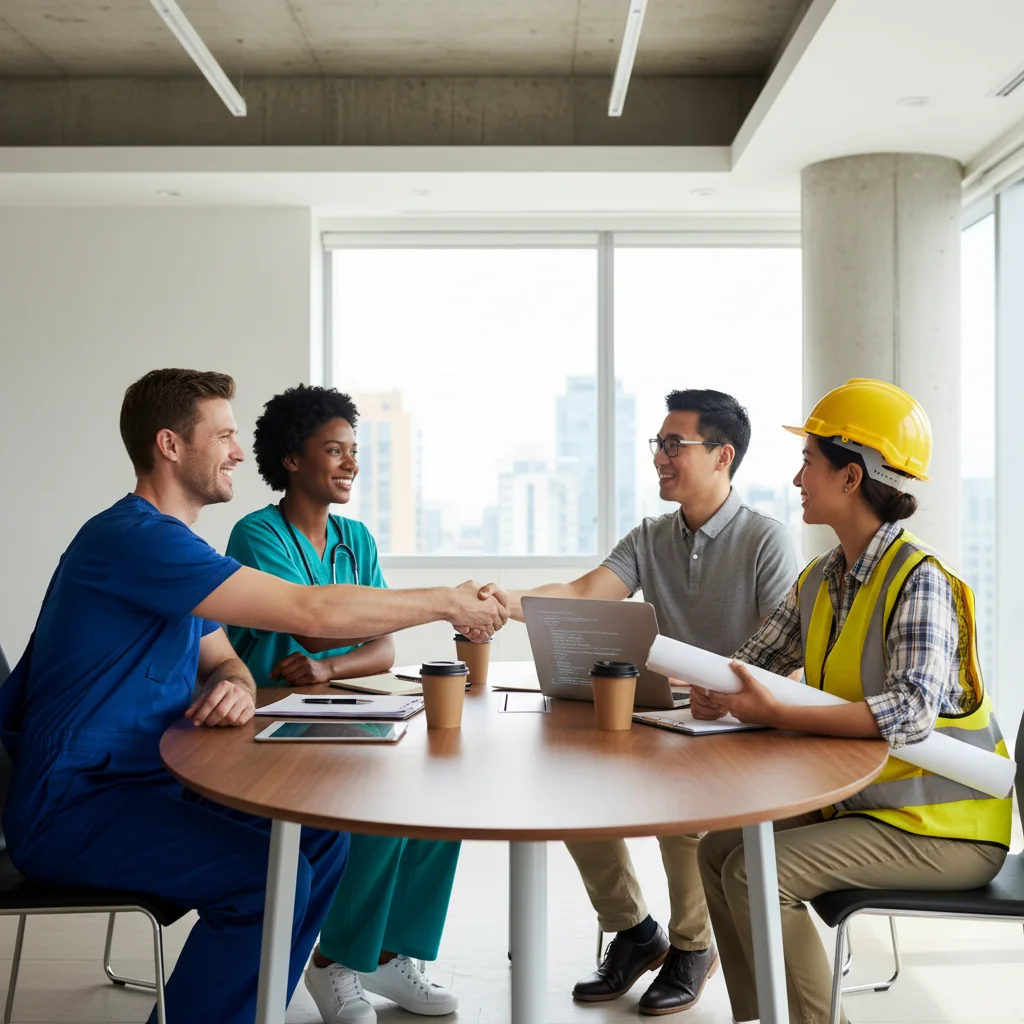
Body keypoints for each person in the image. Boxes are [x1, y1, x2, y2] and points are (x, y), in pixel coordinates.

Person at [0, 369, 508, 1024]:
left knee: (320, 836)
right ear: (170, 445)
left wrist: (237, 684)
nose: (240, 453)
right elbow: (308, 610)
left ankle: (256, 1004)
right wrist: (446, 601)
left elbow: (224, 655)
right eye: (226, 436)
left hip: (146, 789)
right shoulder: (133, 539)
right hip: (72, 808)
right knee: (264, 880)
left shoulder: (176, 548)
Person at [692, 378, 1012, 1024]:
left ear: (850, 476)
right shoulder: (821, 580)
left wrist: (778, 713)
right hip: (867, 807)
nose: (796, 479)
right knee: (719, 849)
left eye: (808, 461)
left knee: (758, 874)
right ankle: (764, 1016)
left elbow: (910, 712)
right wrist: (703, 686)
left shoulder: (920, 582)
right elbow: (751, 664)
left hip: (946, 830)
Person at [509, 389, 799, 1015]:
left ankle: (695, 946)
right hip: (665, 720)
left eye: (675, 445)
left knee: (682, 810)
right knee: (567, 790)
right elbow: (588, 591)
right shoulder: (650, 536)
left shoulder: (766, 540)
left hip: (739, 734)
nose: (660, 457)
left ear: (723, 456)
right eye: (658, 445)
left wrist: (730, 696)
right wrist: (503, 603)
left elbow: (789, 657)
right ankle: (638, 932)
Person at [226, 385, 461, 1023]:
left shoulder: (355, 537)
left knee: (442, 800)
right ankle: (332, 962)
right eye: (335, 449)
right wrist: (331, 648)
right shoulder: (256, 535)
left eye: (354, 450)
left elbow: (381, 646)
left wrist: (331, 667)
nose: (351, 462)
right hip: (264, 727)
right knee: (382, 803)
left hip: (339, 709)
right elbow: (314, 622)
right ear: (292, 458)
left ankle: (386, 954)